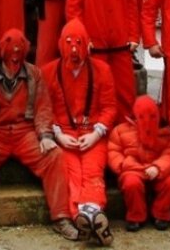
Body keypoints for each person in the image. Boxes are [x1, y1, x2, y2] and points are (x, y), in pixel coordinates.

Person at [0, 28, 78, 245]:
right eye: (11, 58)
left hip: (25, 133)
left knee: (55, 156)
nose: (14, 63)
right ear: (2, 54)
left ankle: (62, 217)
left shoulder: (34, 74)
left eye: (18, 58)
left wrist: (45, 135)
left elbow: (43, 108)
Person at [42, 18, 116, 245]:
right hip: (64, 135)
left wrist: (96, 133)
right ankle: (87, 216)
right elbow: (44, 109)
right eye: (69, 43)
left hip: (93, 133)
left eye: (78, 43)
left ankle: (89, 213)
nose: (74, 49)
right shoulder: (49, 71)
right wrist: (58, 134)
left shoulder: (102, 70)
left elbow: (109, 107)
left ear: (87, 45)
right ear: (60, 44)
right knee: (71, 173)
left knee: (92, 171)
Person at [66, 0, 139, 122]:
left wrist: (133, 35)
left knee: (125, 91)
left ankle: (124, 130)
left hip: (121, 46)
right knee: (96, 92)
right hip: (94, 48)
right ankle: (99, 131)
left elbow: (132, 5)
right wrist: (82, 39)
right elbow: (74, 10)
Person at [108, 95, 170, 233]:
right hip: (132, 169)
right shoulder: (121, 130)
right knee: (131, 183)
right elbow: (113, 152)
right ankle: (136, 216)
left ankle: (161, 214)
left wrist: (158, 167)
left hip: (158, 171)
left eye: (152, 117)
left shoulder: (166, 132)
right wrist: (125, 165)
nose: (147, 121)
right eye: (141, 117)